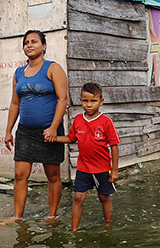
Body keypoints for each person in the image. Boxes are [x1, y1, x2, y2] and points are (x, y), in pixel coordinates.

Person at [2, 30, 68, 224]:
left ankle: (52, 215)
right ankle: (17, 216)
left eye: (34, 42)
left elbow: (63, 99)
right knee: (20, 175)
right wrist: (8, 131)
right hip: (25, 132)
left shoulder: (53, 69)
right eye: (26, 43)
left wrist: (54, 128)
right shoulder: (19, 73)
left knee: (53, 175)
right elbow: (15, 104)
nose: (29, 45)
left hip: (49, 131)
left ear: (44, 46)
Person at [50, 82, 120, 231]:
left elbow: (114, 145)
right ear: (80, 101)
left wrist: (114, 170)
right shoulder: (78, 120)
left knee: (104, 197)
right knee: (78, 198)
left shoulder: (106, 122)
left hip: (102, 168)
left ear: (101, 102)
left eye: (93, 101)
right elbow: (71, 138)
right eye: (85, 101)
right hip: (83, 168)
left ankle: (108, 226)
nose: (89, 105)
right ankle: (74, 229)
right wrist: (54, 138)